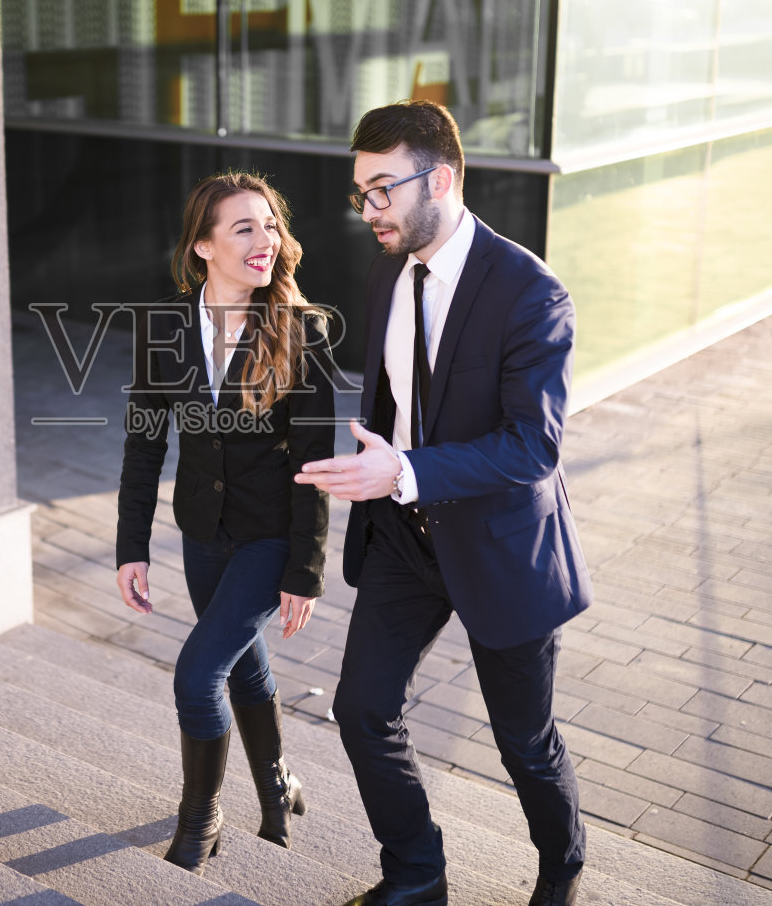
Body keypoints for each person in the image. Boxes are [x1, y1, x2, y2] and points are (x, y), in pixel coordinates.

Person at [296, 101, 593, 906]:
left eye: (383, 189)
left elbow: (534, 446)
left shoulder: (532, 293)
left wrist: (407, 470)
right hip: (403, 537)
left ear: (444, 178)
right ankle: (418, 876)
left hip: (500, 545)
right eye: (362, 192)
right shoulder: (388, 268)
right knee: (362, 709)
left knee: (523, 743)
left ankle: (562, 866)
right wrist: (379, 472)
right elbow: (392, 398)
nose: (369, 210)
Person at [115, 171, 336, 874]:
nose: (265, 239)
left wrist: (303, 570)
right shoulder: (164, 329)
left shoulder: (305, 332)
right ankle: (277, 788)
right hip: (202, 533)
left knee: (196, 675)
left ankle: (199, 822)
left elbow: (313, 464)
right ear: (203, 246)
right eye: (244, 227)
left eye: (270, 224)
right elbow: (146, 443)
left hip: (270, 537)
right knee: (240, 664)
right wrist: (132, 546)